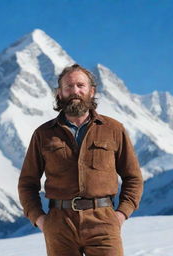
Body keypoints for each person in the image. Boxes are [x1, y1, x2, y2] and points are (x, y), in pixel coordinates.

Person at [18, 64, 143, 256]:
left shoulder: (114, 129)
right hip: (59, 225)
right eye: (68, 87)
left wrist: (121, 214)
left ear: (91, 91)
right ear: (59, 93)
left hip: (103, 223)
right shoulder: (43, 134)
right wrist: (41, 220)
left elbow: (133, 177)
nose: (75, 91)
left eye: (80, 85)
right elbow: (27, 183)